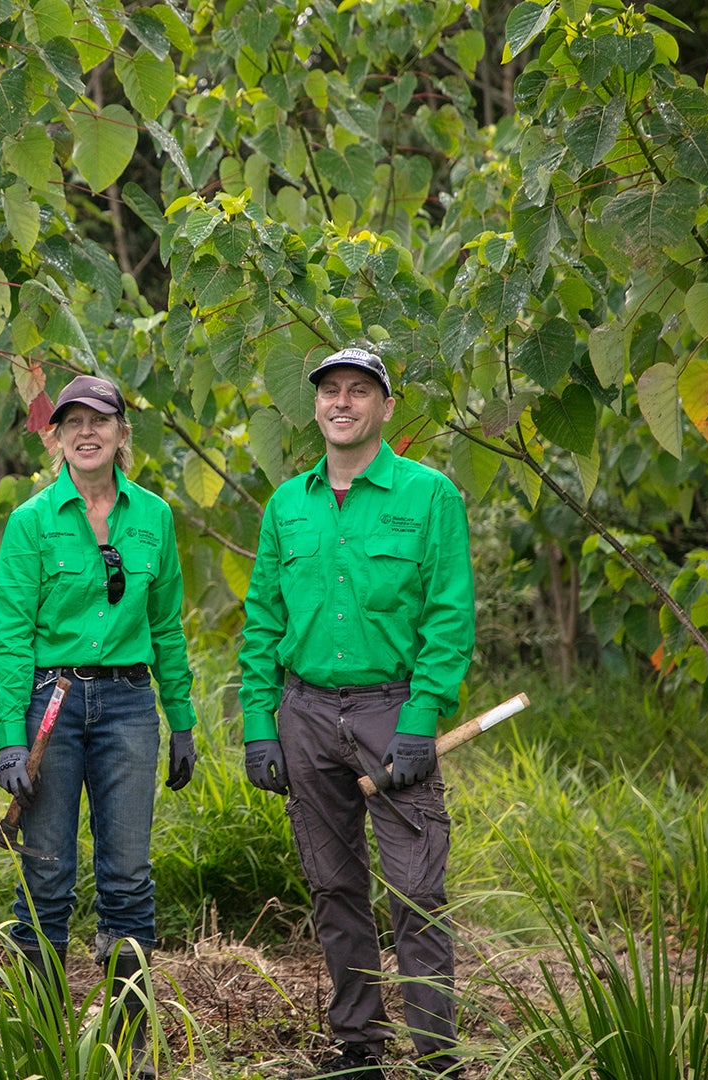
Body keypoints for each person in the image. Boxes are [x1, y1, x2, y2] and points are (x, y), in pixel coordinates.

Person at [237, 347, 474, 1078]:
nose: (343, 402)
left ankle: (436, 1057)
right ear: (315, 406)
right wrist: (257, 726)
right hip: (304, 715)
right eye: (331, 391)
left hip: (389, 709)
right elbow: (262, 624)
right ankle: (358, 1050)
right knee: (334, 887)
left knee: (417, 889)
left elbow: (449, 617)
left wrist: (419, 719)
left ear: (385, 407)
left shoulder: (429, 495)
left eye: (360, 391)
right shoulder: (288, 504)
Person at [0, 374, 198, 1072]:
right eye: (72, 422)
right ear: (56, 437)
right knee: (47, 875)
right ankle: (45, 1041)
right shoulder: (32, 520)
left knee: (129, 877)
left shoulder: (154, 517)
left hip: (131, 705)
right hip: (53, 699)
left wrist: (185, 720)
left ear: (120, 434)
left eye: (100, 421)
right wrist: (10, 740)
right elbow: (11, 635)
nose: (86, 433)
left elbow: (166, 625)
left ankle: (124, 1042)